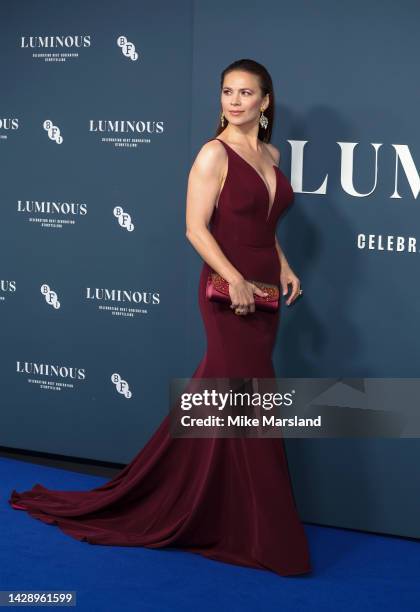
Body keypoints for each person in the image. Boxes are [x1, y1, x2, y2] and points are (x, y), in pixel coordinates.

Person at [9, 58, 311, 577]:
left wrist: (283, 267)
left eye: (245, 93)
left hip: (265, 295)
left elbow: (265, 223)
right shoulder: (212, 154)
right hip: (226, 292)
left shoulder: (271, 154)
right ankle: (265, 535)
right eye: (227, 92)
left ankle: (208, 507)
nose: (234, 101)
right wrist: (234, 278)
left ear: (265, 103)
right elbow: (196, 228)